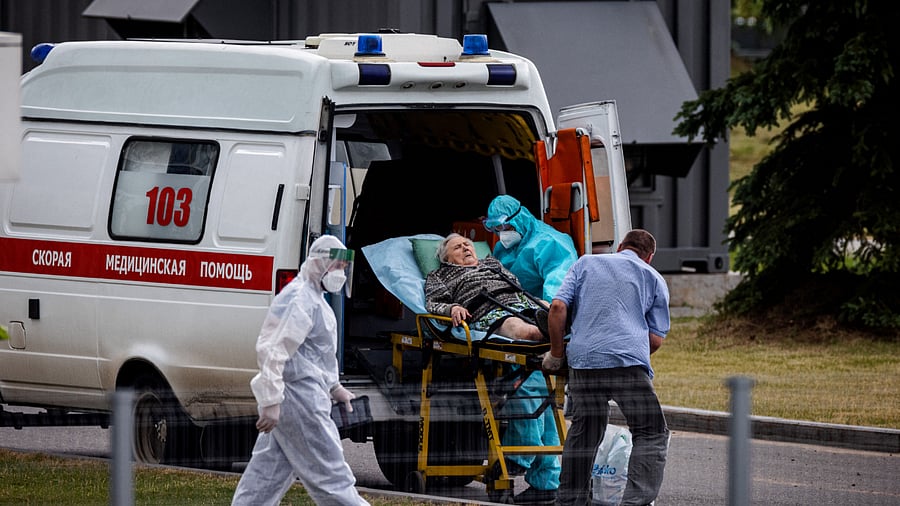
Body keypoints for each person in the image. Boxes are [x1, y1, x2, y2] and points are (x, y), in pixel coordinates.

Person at [232, 235, 370, 506]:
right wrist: (270, 399)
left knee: (265, 476)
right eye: (338, 266)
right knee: (331, 476)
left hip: (301, 397)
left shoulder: (315, 299)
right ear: (321, 263)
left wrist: (334, 387)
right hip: (299, 400)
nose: (341, 274)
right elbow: (272, 349)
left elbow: (318, 354)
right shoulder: (298, 299)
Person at [543, 229, 671, 506]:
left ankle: (568, 501)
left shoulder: (586, 263)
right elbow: (655, 339)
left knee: (585, 428)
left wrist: (555, 354)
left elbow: (556, 309)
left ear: (620, 246)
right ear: (649, 257)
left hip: (584, 361)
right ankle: (634, 503)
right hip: (628, 364)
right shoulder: (653, 277)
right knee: (650, 431)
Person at [483, 195, 578, 504]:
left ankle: (523, 457)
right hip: (513, 316)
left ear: (521, 219)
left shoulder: (551, 244)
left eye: (506, 226)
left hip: (543, 320)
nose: (501, 233)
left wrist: (548, 320)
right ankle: (546, 482)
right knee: (542, 402)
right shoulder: (502, 247)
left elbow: (558, 292)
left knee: (529, 388)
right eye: (496, 228)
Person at [424, 233, 545, 342]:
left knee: (553, 309)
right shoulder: (439, 275)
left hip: (520, 302)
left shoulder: (492, 263)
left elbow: (515, 283)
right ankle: (554, 340)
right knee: (531, 333)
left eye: (467, 244)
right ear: (446, 259)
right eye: (457, 247)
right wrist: (452, 309)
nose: (465, 248)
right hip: (487, 312)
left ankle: (555, 336)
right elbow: (434, 303)